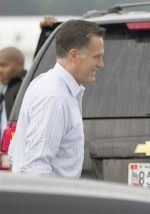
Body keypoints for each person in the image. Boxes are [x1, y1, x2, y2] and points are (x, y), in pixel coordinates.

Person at [8, 19, 105, 178]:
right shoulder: (54, 97)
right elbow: (35, 168)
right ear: (74, 55)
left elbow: (15, 153)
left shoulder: (49, 85)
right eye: (97, 57)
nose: (101, 64)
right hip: (49, 201)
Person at [0, 47, 26, 137]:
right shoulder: (7, 87)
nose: (0, 71)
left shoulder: (20, 89)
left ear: (20, 64)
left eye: (3, 65)